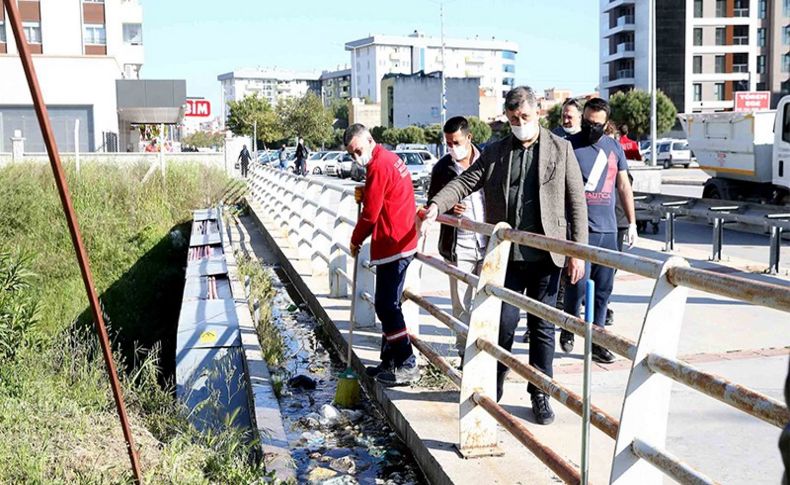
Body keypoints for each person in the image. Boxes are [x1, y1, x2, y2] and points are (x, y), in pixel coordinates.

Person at [420, 86, 588, 425]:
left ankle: (540, 392)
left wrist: (577, 252)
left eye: (525, 117)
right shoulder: (496, 152)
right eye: (513, 119)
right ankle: (493, 385)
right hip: (508, 256)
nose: (520, 123)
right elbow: (464, 182)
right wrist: (435, 206)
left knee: (542, 328)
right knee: (504, 324)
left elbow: (576, 202)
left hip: (547, 255)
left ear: (538, 113)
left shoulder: (560, 148)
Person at [560, 98, 638, 363]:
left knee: (604, 291)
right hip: (580, 233)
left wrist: (632, 222)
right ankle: (569, 327)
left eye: (597, 124)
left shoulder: (614, 147)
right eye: (588, 122)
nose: (591, 128)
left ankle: (598, 340)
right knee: (577, 287)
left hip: (608, 231)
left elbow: (624, 186)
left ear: (606, 124)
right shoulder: (569, 146)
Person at [345, 123, 420, 387]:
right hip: (400, 237)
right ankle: (389, 360)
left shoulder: (378, 166)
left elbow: (370, 215)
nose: (356, 157)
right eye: (352, 154)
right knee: (389, 304)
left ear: (369, 140)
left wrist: (355, 241)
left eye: (358, 150)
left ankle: (407, 363)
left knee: (386, 306)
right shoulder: (389, 159)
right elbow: (383, 194)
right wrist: (366, 192)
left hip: (394, 243)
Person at [427, 116, 487, 359]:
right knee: (461, 303)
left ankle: (485, 351)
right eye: (448, 143)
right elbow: (432, 204)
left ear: (469, 138)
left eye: (456, 142)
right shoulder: (443, 168)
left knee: (487, 301)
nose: (452, 147)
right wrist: (449, 208)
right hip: (458, 244)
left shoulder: (489, 161)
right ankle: (465, 353)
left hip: (487, 243)